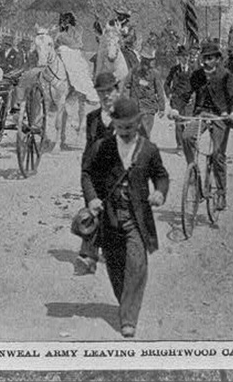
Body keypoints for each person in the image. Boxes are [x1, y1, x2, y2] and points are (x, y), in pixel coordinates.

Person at [81, 96, 169, 338]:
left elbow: (161, 175)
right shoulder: (104, 147)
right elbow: (88, 173)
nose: (125, 132)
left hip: (136, 219)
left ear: (139, 122)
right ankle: (126, 303)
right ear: (114, 124)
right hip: (110, 218)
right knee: (116, 267)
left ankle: (129, 318)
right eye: (120, 127)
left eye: (130, 127)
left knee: (137, 264)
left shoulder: (148, 150)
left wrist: (160, 192)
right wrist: (92, 199)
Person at [169, 41, 233, 210]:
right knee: (186, 137)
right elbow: (184, 94)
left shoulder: (226, 76)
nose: (206, 62)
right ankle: (193, 172)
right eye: (204, 58)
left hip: (220, 117)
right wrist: (175, 108)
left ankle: (221, 193)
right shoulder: (197, 75)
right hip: (201, 114)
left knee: (217, 154)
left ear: (217, 59)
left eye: (210, 58)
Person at [74, 72, 121, 276]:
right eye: (101, 92)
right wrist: (91, 197)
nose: (106, 96)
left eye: (110, 91)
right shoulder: (92, 119)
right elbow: (87, 165)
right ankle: (89, 256)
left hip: (121, 184)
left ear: (118, 91)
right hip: (98, 179)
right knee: (90, 212)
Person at [122, 45, 165, 139]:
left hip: (148, 108)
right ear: (142, 60)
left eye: (150, 61)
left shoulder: (155, 74)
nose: (148, 63)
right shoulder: (133, 72)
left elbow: (160, 91)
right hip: (135, 108)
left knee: (145, 133)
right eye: (146, 60)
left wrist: (162, 108)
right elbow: (126, 86)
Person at [164, 45, 194, 151]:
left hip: (189, 101)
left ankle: (190, 144)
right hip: (176, 100)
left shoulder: (193, 69)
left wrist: (194, 96)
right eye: (183, 56)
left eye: (187, 56)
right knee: (178, 123)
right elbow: (166, 83)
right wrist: (169, 94)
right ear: (179, 58)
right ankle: (180, 145)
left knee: (188, 123)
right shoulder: (174, 70)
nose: (185, 58)